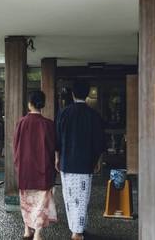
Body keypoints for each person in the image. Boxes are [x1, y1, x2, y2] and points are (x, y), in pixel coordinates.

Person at [55, 80, 105, 240]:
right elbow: (99, 142)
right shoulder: (94, 115)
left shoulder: (63, 113)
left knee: (69, 198)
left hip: (66, 162)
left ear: (73, 94)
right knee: (82, 198)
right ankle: (77, 232)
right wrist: (97, 160)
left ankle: (76, 230)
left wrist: (57, 157)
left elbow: (57, 139)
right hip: (85, 163)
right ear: (87, 94)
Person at [13, 90, 57, 240]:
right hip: (43, 169)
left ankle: (27, 230)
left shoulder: (21, 122)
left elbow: (16, 146)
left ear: (29, 104)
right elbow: (53, 148)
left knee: (26, 201)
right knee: (40, 203)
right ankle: (37, 233)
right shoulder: (48, 124)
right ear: (42, 104)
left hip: (25, 169)